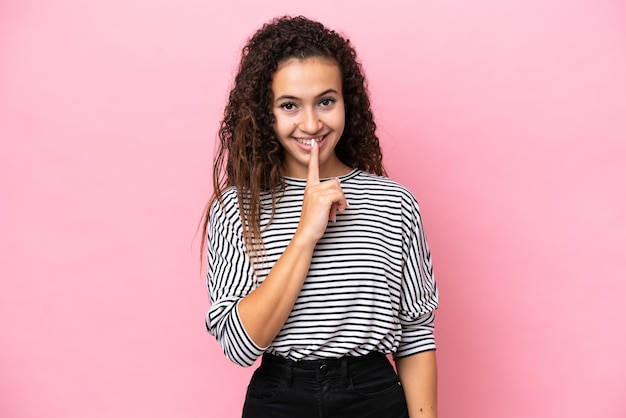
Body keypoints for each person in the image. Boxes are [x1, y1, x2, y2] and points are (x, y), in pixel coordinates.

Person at [203, 15, 439, 418]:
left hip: (372, 397)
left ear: (348, 102)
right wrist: (305, 235)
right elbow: (240, 347)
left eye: (326, 101)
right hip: (280, 398)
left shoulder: (393, 203)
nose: (311, 124)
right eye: (290, 105)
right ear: (267, 114)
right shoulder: (237, 208)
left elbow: (416, 335)